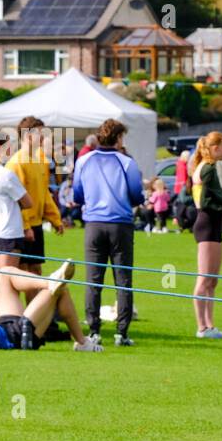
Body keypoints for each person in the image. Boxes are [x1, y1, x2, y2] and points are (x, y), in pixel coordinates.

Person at [72, 118, 144, 347]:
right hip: (120, 224)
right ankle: (121, 333)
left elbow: (77, 194)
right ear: (119, 138)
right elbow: (136, 195)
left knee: (93, 280)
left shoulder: (83, 161)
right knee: (123, 281)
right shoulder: (126, 162)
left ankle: (93, 330)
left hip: (93, 224)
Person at [0, 135, 34, 316]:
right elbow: (28, 202)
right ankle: (4, 324)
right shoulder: (6, 174)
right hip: (8, 232)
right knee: (6, 284)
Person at [5, 116, 64, 272]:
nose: (43, 137)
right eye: (40, 133)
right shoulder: (16, 163)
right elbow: (16, 199)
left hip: (36, 225)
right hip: (21, 227)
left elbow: (44, 194)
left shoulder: (40, 161)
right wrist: (25, 227)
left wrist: (55, 219)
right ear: (28, 136)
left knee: (36, 270)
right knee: (22, 272)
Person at [189, 131, 222, 339]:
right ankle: (202, 327)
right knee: (204, 277)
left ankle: (209, 325)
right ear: (215, 148)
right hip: (206, 224)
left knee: (212, 280)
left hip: (213, 225)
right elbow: (207, 202)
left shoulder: (207, 167)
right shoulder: (206, 168)